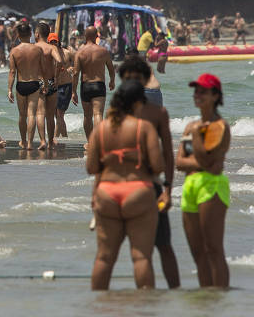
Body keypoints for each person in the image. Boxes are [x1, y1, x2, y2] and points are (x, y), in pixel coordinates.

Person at [87, 80, 164, 290]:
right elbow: (158, 166)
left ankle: (98, 306)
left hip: (107, 193)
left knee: (104, 258)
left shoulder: (101, 129)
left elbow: (92, 167)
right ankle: (143, 308)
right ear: (139, 103)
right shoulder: (143, 128)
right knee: (141, 258)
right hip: (137, 191)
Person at [118, 55, 180, 288]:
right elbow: (167, 156)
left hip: (125, 187)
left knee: (131, 251)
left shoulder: (115, 117)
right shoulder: (157, 115)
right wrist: (168, 189)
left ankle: (143, 302)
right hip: (152, 186)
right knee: (163, 246)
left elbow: (100, 163)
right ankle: (170, 297)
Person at [177, 73, 230, 288]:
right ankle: (206, 297)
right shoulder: (191, 126)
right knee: (197, 251)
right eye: (196, 91)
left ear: (215, 95)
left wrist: (198, 141)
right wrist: (200, 162)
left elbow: (212, 164)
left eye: (203, 91)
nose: (197, 95)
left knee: (213, 249)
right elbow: (180, 162)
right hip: (190, 186)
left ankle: (221, 297)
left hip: (212, 186)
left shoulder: (221, 126)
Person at [72, 26, 116, 142]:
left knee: (87, 116)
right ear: (97, 36)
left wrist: (73, 92)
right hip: (99, 85)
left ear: (85, 36)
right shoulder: (103, 51)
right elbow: (111, 68)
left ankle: (90, 142)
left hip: (85, 86)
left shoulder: (80, 52)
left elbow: (76, 73)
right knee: (98, 115)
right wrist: (112, 81)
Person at [7, 23, 43, 149]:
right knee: (32, 114)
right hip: (34, 83)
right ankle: (30, 143)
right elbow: (42, 69)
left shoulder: (14, 51)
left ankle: (22, 141)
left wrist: (9, 90)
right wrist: (45, 84)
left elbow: (12, 72)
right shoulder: (37, 49)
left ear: (18, 35)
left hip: (21, 85)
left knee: (22, 115)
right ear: (30, 34)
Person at [35, 24, 62, 149]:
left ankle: (42, 141)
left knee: (40, 113)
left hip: (39, 81)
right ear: (48, 33)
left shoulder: (34, 48)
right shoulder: (52, 48)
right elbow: (60, 61)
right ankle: (51, 143)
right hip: (51, 81)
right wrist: (56, 76)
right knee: (50, 115)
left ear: (37, 34)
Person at [54, 34, 74, 140]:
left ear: (58, 42)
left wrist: (72, 68)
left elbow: (78, 64)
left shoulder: (67, 53)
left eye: (55, 41)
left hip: (65, 86)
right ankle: (65, 137)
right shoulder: (49, 55)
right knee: (57, 116)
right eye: (51, 42)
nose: (53, 43)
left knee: (60, 114)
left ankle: (55, 139)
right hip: (54, 86)